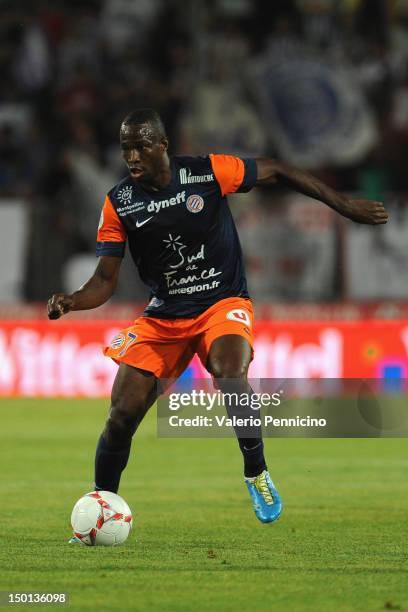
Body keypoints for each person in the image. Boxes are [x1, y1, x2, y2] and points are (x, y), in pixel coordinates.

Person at [47, 108, 388, 534]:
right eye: (125, 148)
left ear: (162, 145)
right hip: (165, 315)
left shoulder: (207, 172)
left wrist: (343, 205)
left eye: (140, 146)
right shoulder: (120, 202)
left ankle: (256, 473)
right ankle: (101, 503)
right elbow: (104, 280)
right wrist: (73, 301)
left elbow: (277, 171)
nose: (132, 156)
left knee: (230, 374)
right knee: (121, 415)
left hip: (221, 303)